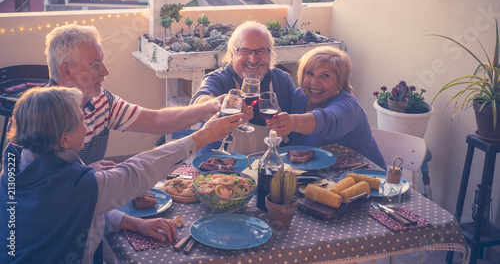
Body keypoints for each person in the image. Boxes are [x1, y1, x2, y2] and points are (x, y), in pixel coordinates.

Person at [0, 86, 243, 264]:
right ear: (64, 139)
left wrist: (134, 223)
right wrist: (202, 137)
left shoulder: (14, 165)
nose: (86, 126)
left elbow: (78, 209)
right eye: (81, 121)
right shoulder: (76, 184)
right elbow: (136, 172)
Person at [43, 24, 224, 248]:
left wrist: (208, 108)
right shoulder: (42, 125)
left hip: (94, 218)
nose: (105, 71)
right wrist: (202, 137)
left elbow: (155, 121)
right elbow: (74, 198)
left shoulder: (101, 101)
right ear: (67, 71)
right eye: (95, 64)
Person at [268, 46, 387, 169]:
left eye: (325, 75)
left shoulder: (348, 106)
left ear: (340, 82)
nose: (315, 81)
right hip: (321, 180)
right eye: (309, 73)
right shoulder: (299, 96)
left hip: (369, 179)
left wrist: (293, 122)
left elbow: (328, 121)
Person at [190, 21, 295, 154]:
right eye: (245, 51)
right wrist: (218, 105)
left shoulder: (282, 80)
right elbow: (199, 100)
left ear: (270, 54)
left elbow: (300, 115)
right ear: (232, 54)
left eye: (260, 51)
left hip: (267, 168)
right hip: (218, 168)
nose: (253, 59)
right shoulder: (218, 78)